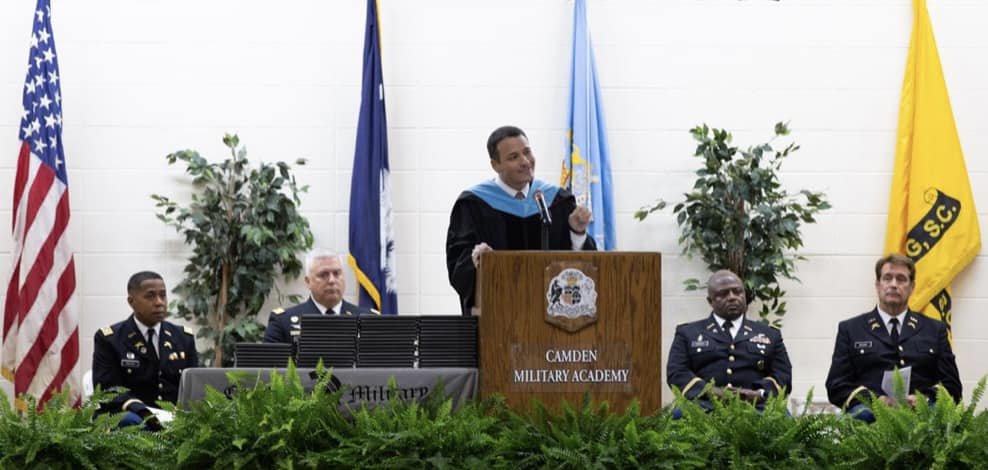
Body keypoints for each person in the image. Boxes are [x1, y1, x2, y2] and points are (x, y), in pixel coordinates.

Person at [446, 125, 596, 315]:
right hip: (499, 316)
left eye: (527, 152)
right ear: (495, 165)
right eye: (513, 157)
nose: (525, 161)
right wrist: (478, 262)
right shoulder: (473, 205)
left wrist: (577, 233)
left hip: (552, 318)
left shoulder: (557, 201)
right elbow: (458, 267)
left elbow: (583, 267)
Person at [825, 254, 961, 423]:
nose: (894, 284)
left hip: (922, 421)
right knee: (861, 415)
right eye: (887, 278)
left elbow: (953, 386)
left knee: (937, 417)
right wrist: (874, 401)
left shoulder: (934, 329)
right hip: (869, 421)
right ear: (877, 285)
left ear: (912, 287)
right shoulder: (851, 329)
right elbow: (836, 384)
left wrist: (924, 399)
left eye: (901, 279)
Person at [666, 270, 792, 413]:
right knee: (679, 415)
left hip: (757, 406)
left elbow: (783, 375)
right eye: (723, 294)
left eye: (737, 292)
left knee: (783, 418)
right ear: (710, 301)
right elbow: (677, 373)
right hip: (703, 406)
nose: (732, 297)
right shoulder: (688, 333)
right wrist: (712, 392)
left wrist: (758, 394)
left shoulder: (769, 334)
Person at [92, 271, 198, 430]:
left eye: (163, 295)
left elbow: (193, 387)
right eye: (150, 296)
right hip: (131, 414)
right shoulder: (110, 339)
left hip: (174, 416)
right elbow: (108, 391)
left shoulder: (183, 337)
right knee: (132, 422)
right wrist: (144, 412)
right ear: (131, 301)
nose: (159, 302)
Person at [263, 249, 375, 344]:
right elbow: (271, 368)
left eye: (337, 273)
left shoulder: (368, 320)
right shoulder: (283, 322)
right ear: (307, 282)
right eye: (323, 275)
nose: (332, 280)